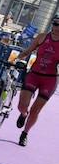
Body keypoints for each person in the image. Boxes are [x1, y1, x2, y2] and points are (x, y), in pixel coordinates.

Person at [15, 15, 59, 146]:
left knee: (36, 110)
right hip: (34, 74)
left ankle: (25, 134)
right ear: (52, 24)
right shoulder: (42, 37)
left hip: (50, 80)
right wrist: (16, 58)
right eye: (56, 25)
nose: (57, 28)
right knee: (22, 106)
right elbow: (28, 51)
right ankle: (23, 114)